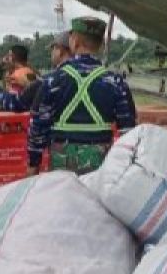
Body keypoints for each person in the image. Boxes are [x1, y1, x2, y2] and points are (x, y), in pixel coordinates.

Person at [29, 17, 136, 175]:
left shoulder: (52, 80)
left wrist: (33, 165)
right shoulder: (116, 82)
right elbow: (128, 132)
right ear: (102, 45)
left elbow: (38, 128)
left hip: (62, 163)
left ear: (75, 41)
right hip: (101, 164)